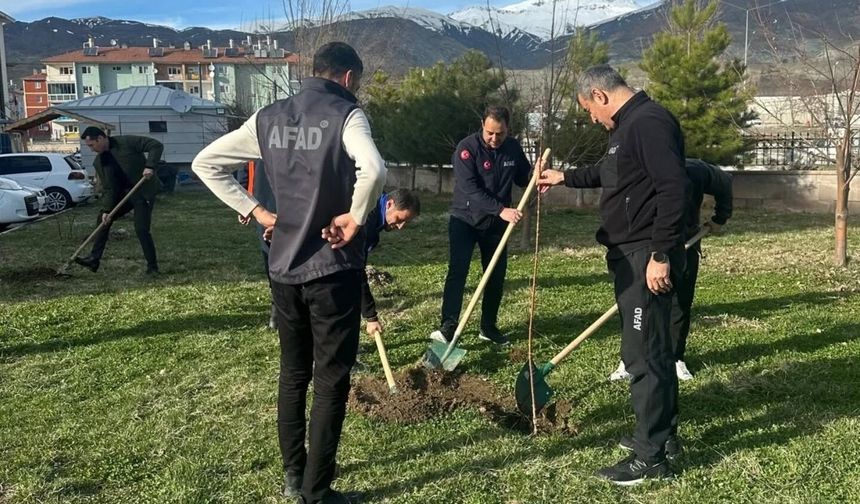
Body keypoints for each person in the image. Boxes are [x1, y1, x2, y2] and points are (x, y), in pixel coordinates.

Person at [191, 42, 386, 504]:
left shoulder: (267, 116)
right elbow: (374, 169)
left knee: (293, 374)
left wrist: (256, 210)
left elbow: (206, 163)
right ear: (347, 78)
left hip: (282, 269)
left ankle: (294, 479)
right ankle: (318, 492)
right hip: (332, 268)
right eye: (355, 83)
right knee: (331, 380)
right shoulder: (347, 114)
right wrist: (356, 216)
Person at [538, 64, 689, 485]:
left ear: (600, 96)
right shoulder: (627, 127)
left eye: (588, 109)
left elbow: (673, 188)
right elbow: (612, 176)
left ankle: (651, 455)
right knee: (647, 347)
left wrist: (660, 253)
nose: (591, 118)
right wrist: (564, 176)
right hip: (629, 254)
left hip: (645, 255)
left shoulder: (649, 122)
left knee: (645, 354)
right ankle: (661, 435)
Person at [609, 158, 733, 382]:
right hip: (641, 243)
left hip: (684, 242)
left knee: (679, 301)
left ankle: (675, 358)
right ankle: (629, 360)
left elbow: (725, 182)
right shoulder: (635, 170)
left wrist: (720, 217)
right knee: (635, 304)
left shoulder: (695, 171)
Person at [430, 105, 533, 346]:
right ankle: (448, 326)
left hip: (496, 225)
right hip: (465, 220)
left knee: (495, 275)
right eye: (490, 133)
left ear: (508, 129)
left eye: (500, 133)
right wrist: (501, 210)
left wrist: (538, 177)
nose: (494, 138)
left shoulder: (513, 148)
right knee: (458, 271)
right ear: (482, 127)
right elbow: (470, 189)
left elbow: (523, 176)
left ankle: (488, 327)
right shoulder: (467, 149)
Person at [74, 127, 164, 275]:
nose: (91, 149)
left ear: (101, 139)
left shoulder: (126, 142)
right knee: (103, 220)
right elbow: (109, 189)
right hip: (123, 196)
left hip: (142, 191)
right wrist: (107, 210)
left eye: (92, 145)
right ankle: (94, 259)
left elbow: (155, 145)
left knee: (141, 229)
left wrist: (150, 166)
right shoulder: (100, 162)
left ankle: (152, 267)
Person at [361, 188, 421, 336]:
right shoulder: (367, 220)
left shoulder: (376, 214)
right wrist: (371, 316)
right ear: (389, 204)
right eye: (400, 219)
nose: (400, 227)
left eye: (406, 222)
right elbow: (355, 271)